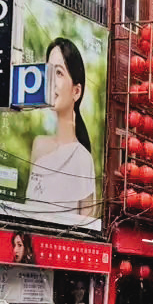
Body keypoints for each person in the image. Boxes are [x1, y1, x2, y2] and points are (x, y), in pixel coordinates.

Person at [24, 37, 98, 219]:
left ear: (76, 91)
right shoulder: (39, 146)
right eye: (48, 72)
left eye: (58, 73)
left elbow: (86, 224)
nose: (51, 81)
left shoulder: (83, 159)